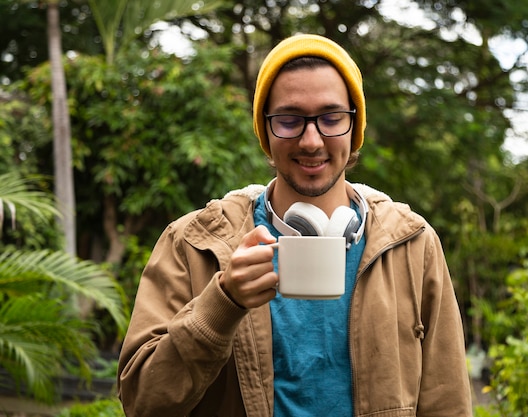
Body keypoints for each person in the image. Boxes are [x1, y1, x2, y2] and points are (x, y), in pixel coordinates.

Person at [117, 33, 472, 417]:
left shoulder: (412, 244)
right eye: (289, 120)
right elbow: (141, 403)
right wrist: (222, 303)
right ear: (265, 132)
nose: (311, 141)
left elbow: (447, 402)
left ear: (355, 128)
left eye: (331, 118)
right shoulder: (193, 244)